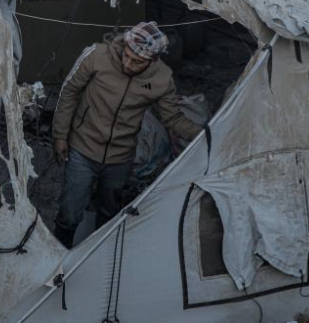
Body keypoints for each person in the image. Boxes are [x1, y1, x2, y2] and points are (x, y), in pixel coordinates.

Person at [52, 21, 202, 248]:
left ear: (152, 60)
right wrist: (60, 135)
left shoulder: (161, 79)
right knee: (70, 212)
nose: (128, 64)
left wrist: (205, 133)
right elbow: (69, 92)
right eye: (127, 56)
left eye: (137, 62)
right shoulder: (96, 55)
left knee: (109, 213)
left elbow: (172, 119)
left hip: (120, 158)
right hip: (82, 148)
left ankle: (98, 256)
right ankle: (59, 255)